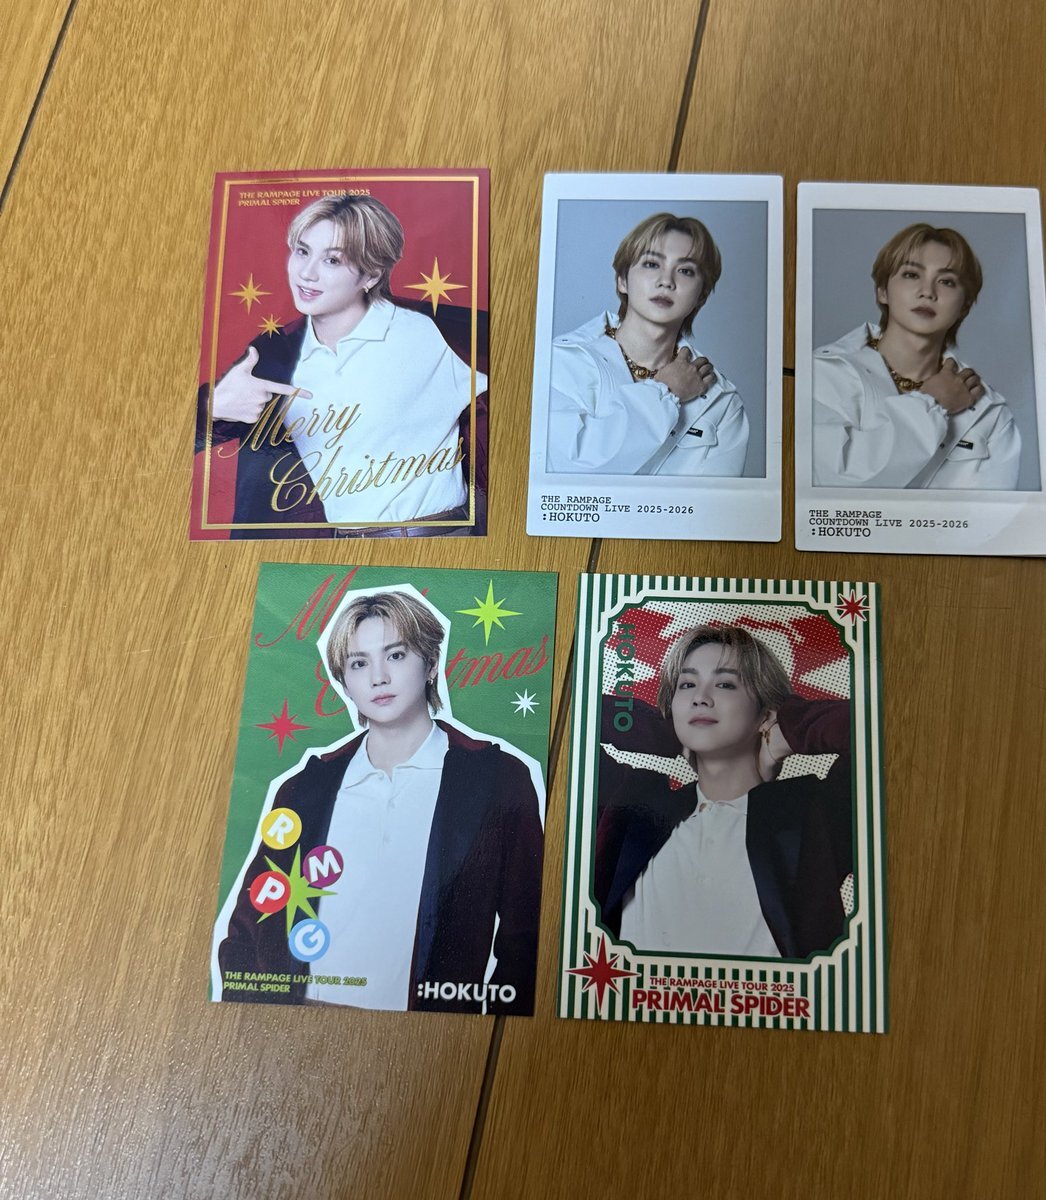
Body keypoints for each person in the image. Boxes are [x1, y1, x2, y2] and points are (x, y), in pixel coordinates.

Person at [216, 589, 543, 1014]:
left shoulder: (498, 779)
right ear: (345, 682)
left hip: (430, 1032)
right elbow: (248, 924)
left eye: (396, 655)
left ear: (431, 663)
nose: (378, 678)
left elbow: (527, 937)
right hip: (300, 1018)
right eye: (359, 663)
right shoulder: (303, 789)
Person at [201, 194, 487, 534]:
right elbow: (173, 445)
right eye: (302, 251)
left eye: (332, 260)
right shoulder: (274, 352)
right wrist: (213, 407)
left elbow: (526, 388)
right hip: (340, 547)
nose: (307, 273)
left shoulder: (432, 334)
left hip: (439, 541)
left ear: (371, 275)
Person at [593, 624, 852, 959]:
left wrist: (792, 725)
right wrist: (664, 731)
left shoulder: (812, 814)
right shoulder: (634, 805)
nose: (700, 697)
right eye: (687, 684)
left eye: (726, 684)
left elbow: (879, 732)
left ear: (765, 714)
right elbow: (575, 717)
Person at [813, 222, 1021, 489]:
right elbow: (832, 485)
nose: (928, 292)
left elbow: (988, 513)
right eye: (911, 275)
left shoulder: (989, 412)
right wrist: (933, 402)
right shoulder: (824, 373)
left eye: (946, 282)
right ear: (883, 290)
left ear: (965, 304)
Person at [547, 213, 748, 476]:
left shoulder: (721, 401)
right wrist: (665, 391)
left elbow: (710, 501)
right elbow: (571, 472)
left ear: (701, 295)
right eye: (652, 264)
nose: (667, 281)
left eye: (685, 271)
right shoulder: (560, 361)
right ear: (622, 280)